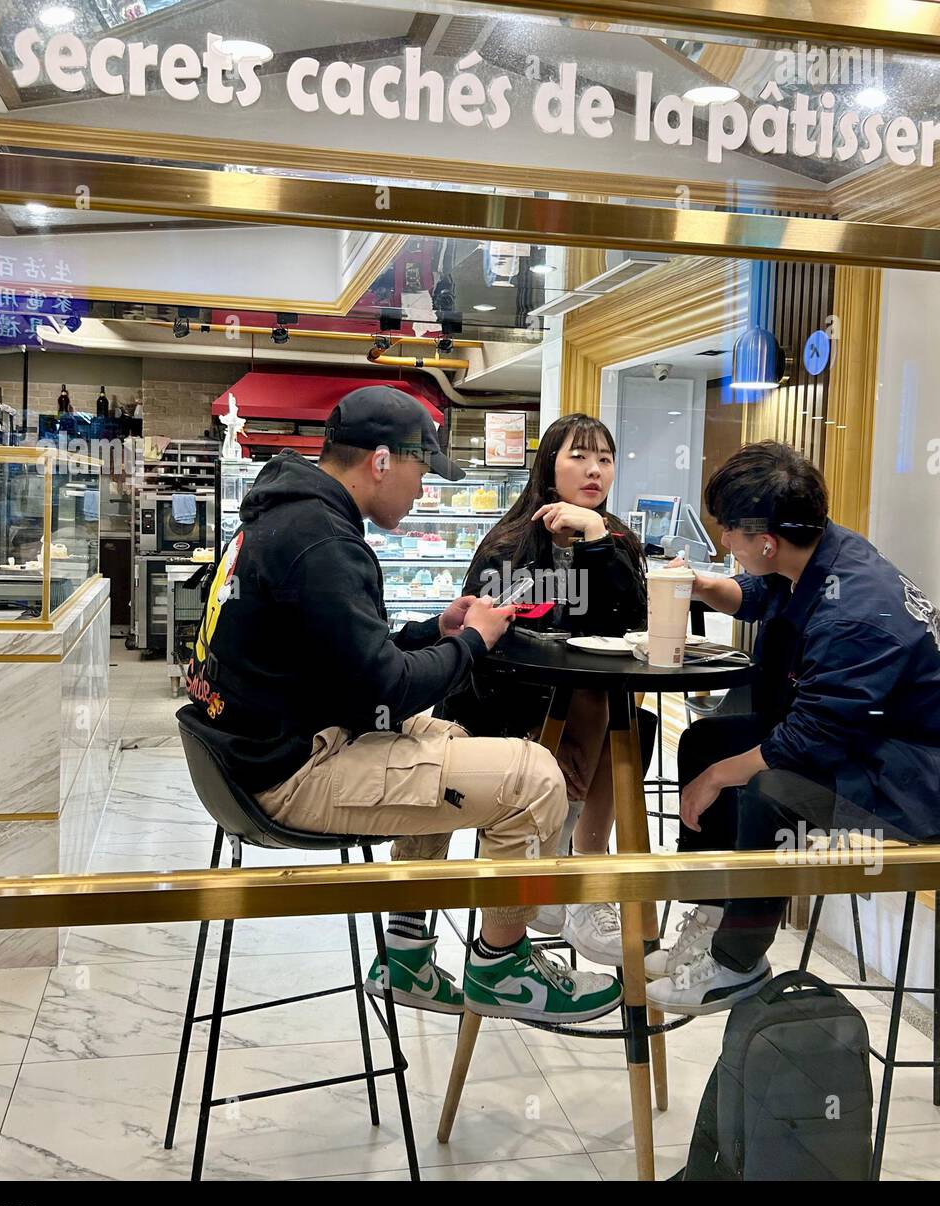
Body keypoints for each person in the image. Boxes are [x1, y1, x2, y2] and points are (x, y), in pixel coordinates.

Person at [186, 386, 622, 1026]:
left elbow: (346, 661)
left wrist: (433, 634)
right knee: (536, 779)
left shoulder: (285, 516)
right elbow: (383, 689)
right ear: (383, 462)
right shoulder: (322, 541)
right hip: (285, 773)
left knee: (447, 735)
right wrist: (473, 642)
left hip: (248, 754)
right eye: (421, 471)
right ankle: (503, 967)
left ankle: (406, 956)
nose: (423, 491)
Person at [645, 442, 940, 1016]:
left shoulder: (854, 614)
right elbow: (759, 593)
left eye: (730, 532)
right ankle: (711, 911)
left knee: (768, 789)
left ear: (767, 541)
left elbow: (806, 742)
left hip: (911, 774)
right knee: (705, 742)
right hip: (864, 740)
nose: (725, 543)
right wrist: (699, 585)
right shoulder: (818, 550)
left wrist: (713, 782)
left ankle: (736, 961)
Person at [444, 413, 651, 966]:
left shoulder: (617, 538)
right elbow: (481, 630)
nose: (594, 470)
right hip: (506, 702)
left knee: (625, 719)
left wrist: (594, 539)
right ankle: (570, 867)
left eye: (605, 459)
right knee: (603, 711)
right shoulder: (510, 540)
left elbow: (633, 624)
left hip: (584, 701)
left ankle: (572, 871)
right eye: (579, 456)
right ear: (548, 465)